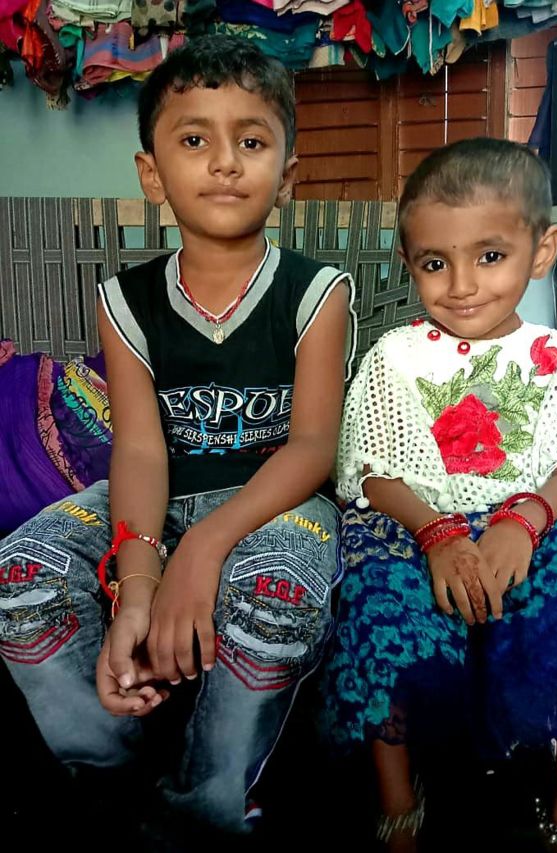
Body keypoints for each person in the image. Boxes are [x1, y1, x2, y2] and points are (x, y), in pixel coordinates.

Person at [0, 34, 356, 838]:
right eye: (195, 140)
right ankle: (110, 764)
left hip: (276, 502)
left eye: (251, 142)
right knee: (19, 572)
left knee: (279, 591)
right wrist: (138, 580)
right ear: (152, 174)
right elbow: (138, 449)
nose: (224, 162)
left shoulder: (316, 292)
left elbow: (311, 448)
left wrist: (201, 548)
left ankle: (204, 802)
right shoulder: (124, 301)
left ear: (286, 176)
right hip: (147, 496)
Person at [322, 137, 557, 853]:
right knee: (375, 602)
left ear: (542, 250)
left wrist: (524, 522)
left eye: (489, 256)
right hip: (416, 523)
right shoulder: (394, 357)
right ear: (409, 261)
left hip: (528, 521)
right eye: (435, 263)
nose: (462, 285)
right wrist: (436, 534)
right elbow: (372, 472)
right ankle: (399, 803)